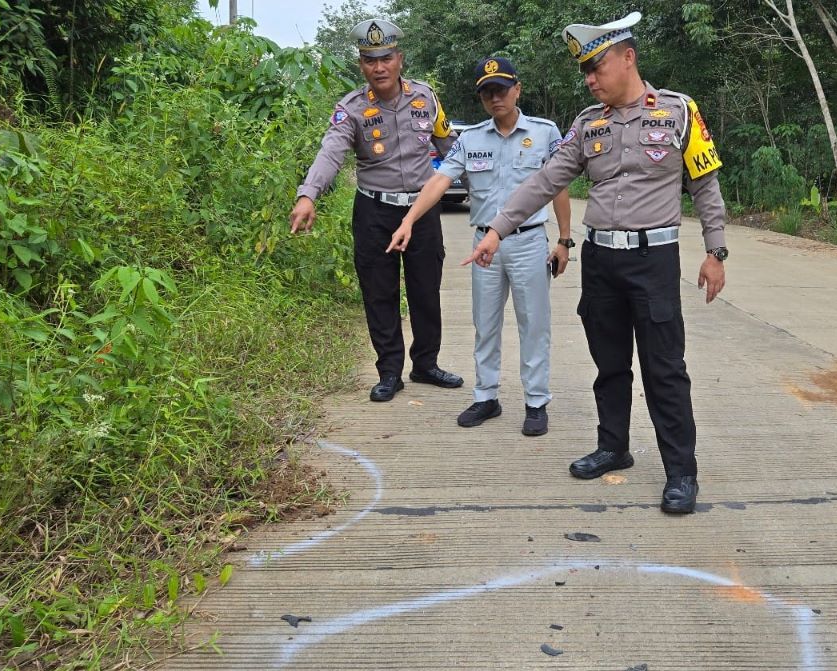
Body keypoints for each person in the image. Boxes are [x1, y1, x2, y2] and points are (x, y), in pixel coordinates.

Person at [464, 12, 729, 514]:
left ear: (628, 58)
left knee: (664, 368)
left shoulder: (678, 112)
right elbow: (544, 182)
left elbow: (706, 185)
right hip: (601, 260)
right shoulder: (589, 123)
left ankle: (681, 472)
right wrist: (496, 230)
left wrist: (715, 252)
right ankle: (614, 447)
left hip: (654, 259)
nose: (590, 78)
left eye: (597, 66)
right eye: (585, 70)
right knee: (609, 364)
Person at [390, 57, 573, 436]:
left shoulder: (544, 132)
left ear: (517, 89)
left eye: (501, 89)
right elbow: (440, 182)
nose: (495, 98)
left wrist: (564, 240)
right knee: (485, 325)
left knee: (534, 325)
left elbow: (559, 186)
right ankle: (486, 396)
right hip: (482, 247)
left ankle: (536, 401)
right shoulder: (470, 139)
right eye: (487, 92)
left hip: (528, 242)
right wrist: (408, 219)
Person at [290, 18, 463, 402]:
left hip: (420, 212)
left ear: (399, 58)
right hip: (373, 211)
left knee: (425, 290)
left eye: (385, 58)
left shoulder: (426, 98)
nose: (379, 67)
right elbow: (331, 153)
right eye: (370, 60)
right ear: (361, 65)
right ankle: (389, 372)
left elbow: (450, 147)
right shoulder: (350, 109)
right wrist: (308, 195)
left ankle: (426, 364)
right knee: (379, 293)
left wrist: (489, 190)